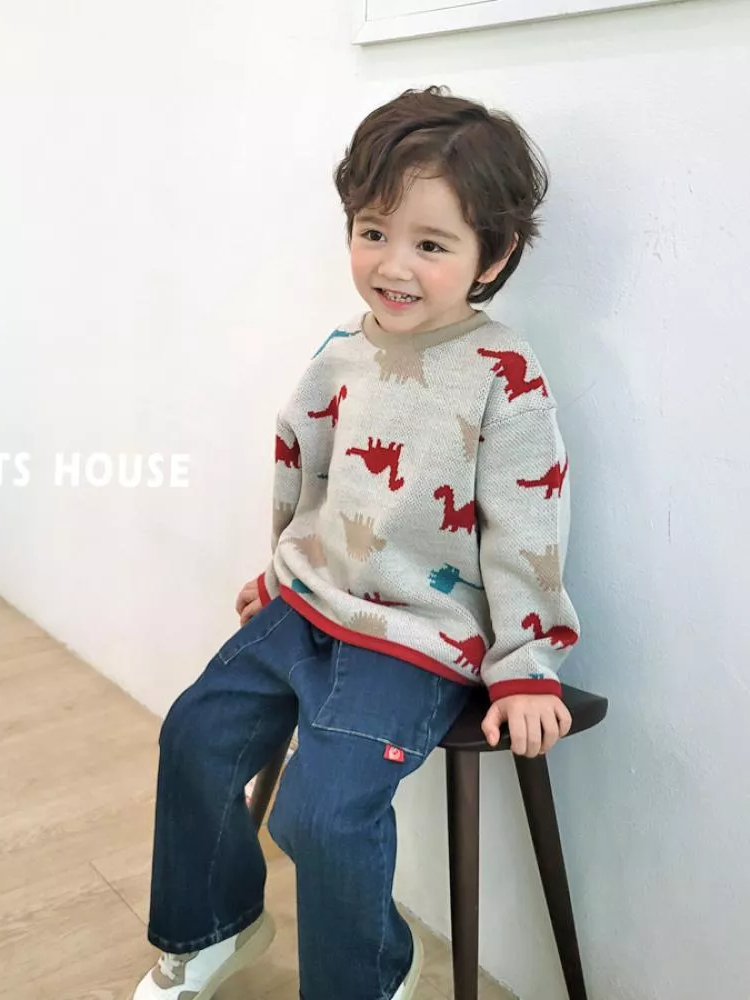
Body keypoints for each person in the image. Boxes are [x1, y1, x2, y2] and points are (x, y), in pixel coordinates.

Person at [129, 85, 581, 1000]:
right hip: (309, 601)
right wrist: (277, 573)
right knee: (195, 733)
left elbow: (528, 527)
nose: (393, 265)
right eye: (373, 232)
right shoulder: (340, 349)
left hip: (417, 635)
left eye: (431, 244)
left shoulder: (504, 375)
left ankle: (371, 975)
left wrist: (527, 663)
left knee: (321, 815)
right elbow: (302, 473)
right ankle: (216, 927)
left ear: (492, 256)